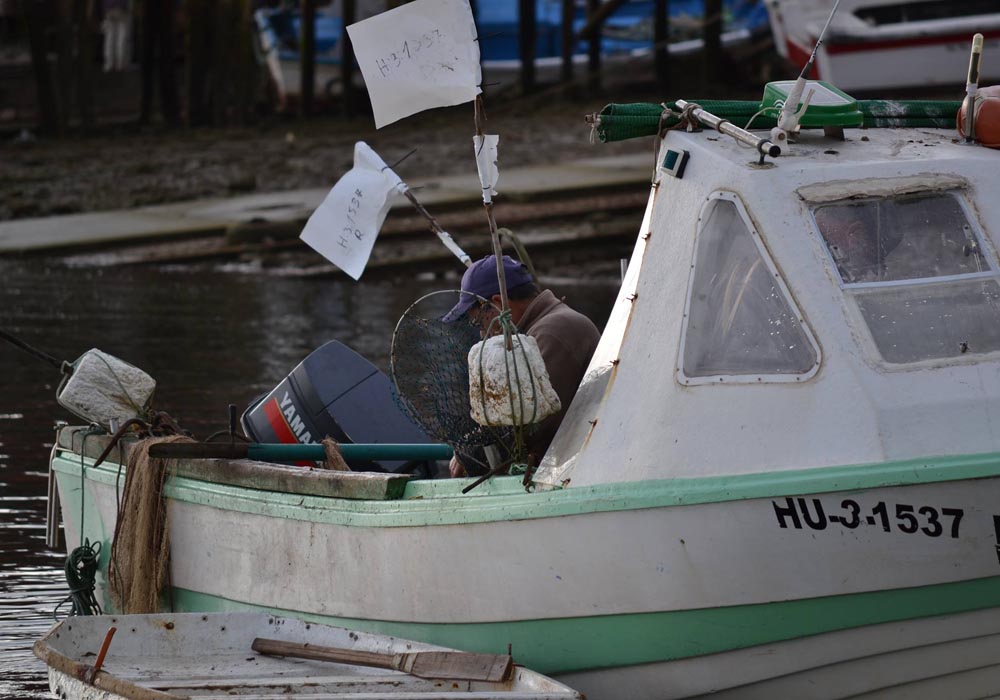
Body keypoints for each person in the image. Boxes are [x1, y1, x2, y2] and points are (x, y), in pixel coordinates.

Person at [442, 255, 601, 477]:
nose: (480, 332)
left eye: (480, 321)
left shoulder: (553, 331)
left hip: (583, 471)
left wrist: (471, 451)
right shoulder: (542, 327)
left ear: (497, 303)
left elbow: (534, 424)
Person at [101, 0, 131, 73]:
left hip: (109, 6)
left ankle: (109, 63)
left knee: (109, 37)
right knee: (122, 37)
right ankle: (120, 63)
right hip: (122, 7)